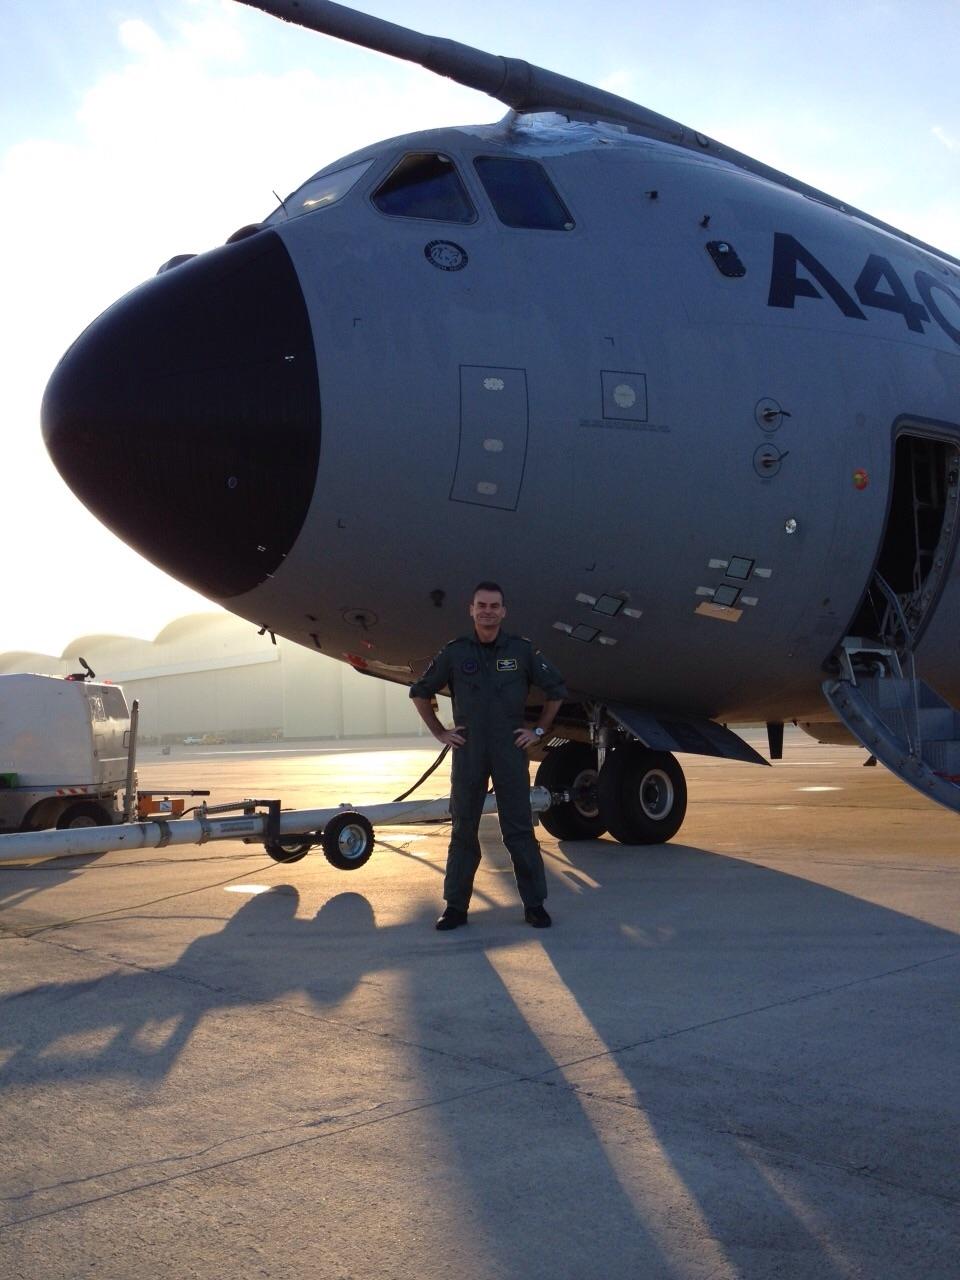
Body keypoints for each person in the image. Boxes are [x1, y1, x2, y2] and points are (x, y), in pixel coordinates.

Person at [409, 581, 567, 931]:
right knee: (463, 829)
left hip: (510, 751)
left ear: (503, 611)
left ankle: (534, 904)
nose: (488, 611)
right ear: (471, 609)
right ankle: (455, 907)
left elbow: (556, 690)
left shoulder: (522, 651)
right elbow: (420, 692)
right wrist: (439, 731)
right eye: (482, 605)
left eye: (494, 606)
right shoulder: (455, 652)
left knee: (519, 830)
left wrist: (538, 731)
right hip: (469, 752)